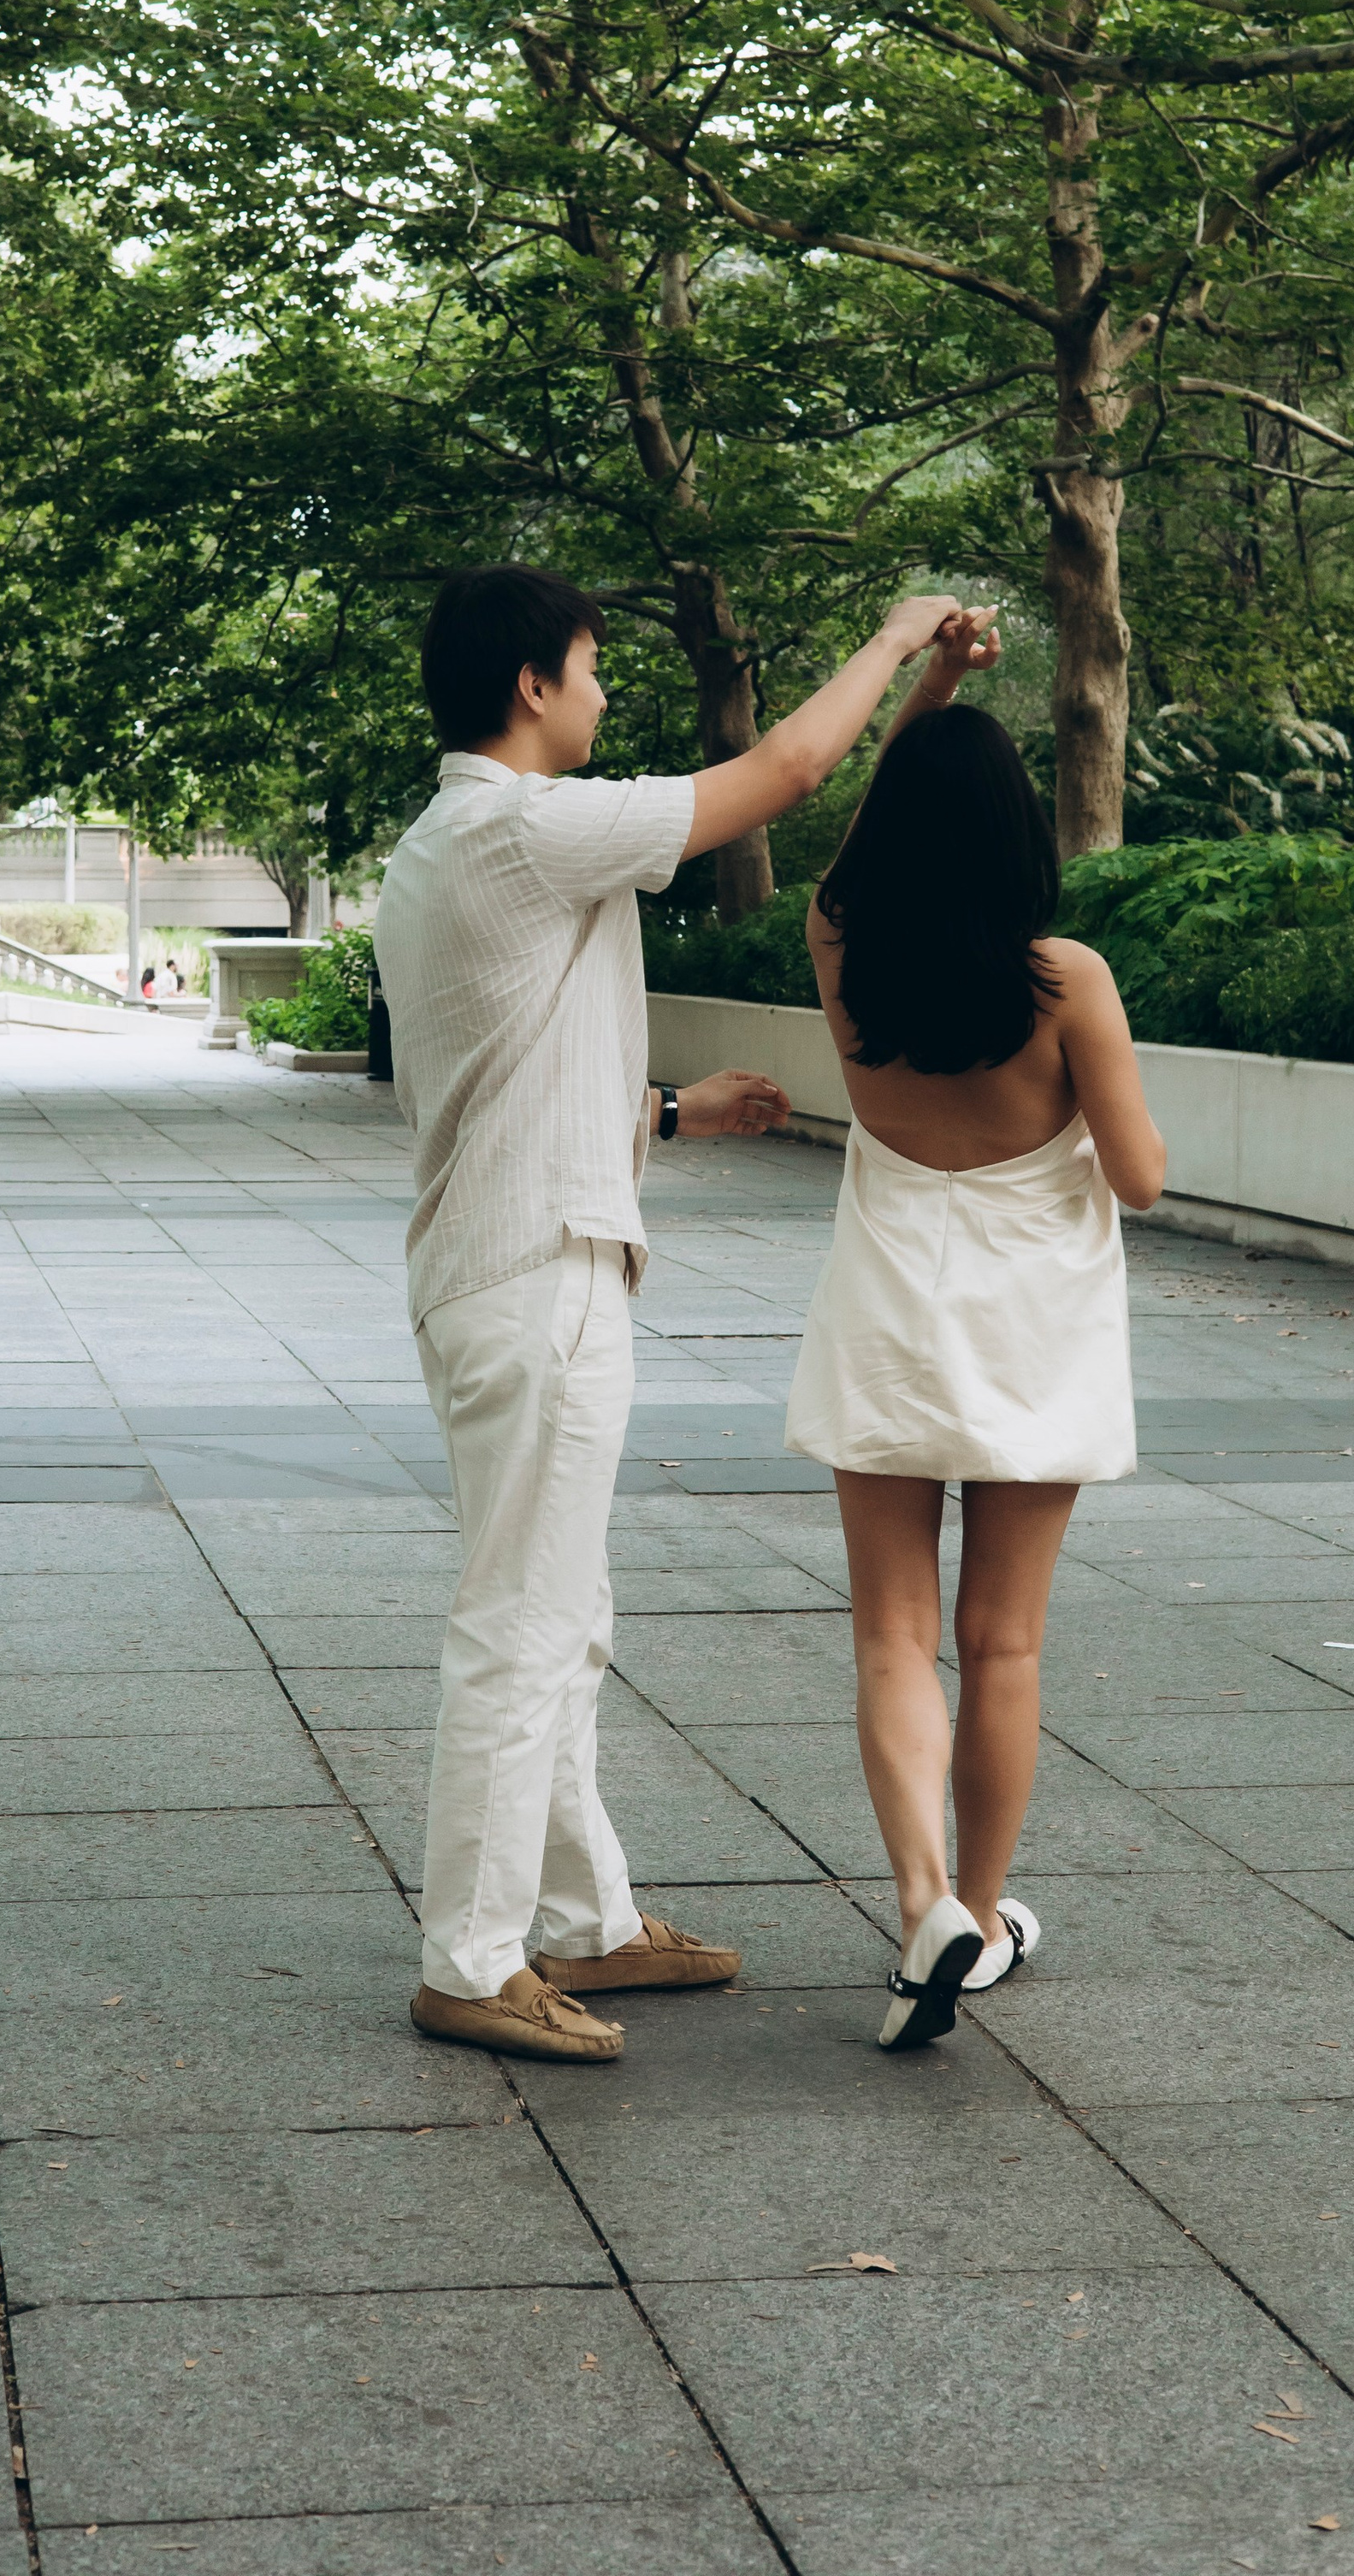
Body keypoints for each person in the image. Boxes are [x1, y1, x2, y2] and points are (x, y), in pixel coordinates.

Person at [375, 561, 971, 2067]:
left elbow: (508, 1065)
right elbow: (779, 772)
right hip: (536, 1278)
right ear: (530, 685)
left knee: (560, 1620)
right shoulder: (521, 822)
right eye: (587, 664)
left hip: (506, 1261)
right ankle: (470, 1955)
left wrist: (665, 1109)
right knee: (525, 1625)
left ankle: (581, 1919)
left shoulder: (454, 843)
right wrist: (901, 636)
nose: (601, 690)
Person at [784, 616, 1166, 2054]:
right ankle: (988, 1914)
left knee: (892, 1634)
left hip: (887, 1308)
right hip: (1032, 1328)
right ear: (1017, 838)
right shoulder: (1065, 980)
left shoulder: (843, 944)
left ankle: (922, 1900)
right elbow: (1136, 1177)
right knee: (1000, 1644)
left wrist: (928, 682)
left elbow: (863, 840)